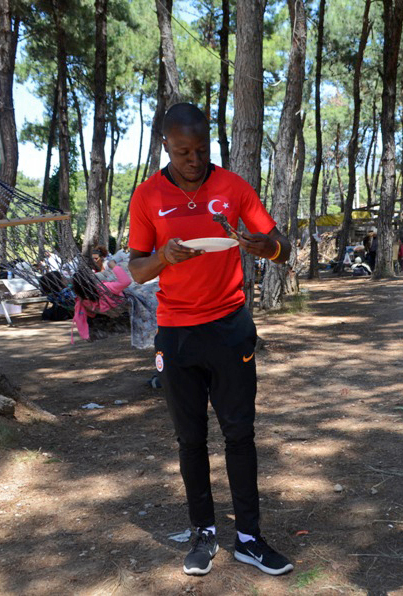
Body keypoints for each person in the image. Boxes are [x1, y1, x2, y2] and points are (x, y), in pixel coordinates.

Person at [128, 103, 293, 578]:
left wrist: (268, 246)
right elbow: (137, 270)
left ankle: (249, 538)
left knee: (240, 434)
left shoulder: (233, 187)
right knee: (190, 438)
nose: (194, 160)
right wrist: (164, 257)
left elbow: (279, 243)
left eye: (201, 150)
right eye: (183, 152)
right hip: (177, 334)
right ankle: (203, 532)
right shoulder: (147, 197)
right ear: (165, 146)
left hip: (229, 328)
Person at [70, 264, 132, 342]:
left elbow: (90, 314)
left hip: (106, 313)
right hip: (121, 306)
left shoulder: (82, 300)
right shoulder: (105, 288)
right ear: (92, 280)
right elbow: (126, 282)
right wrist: (114, 266)